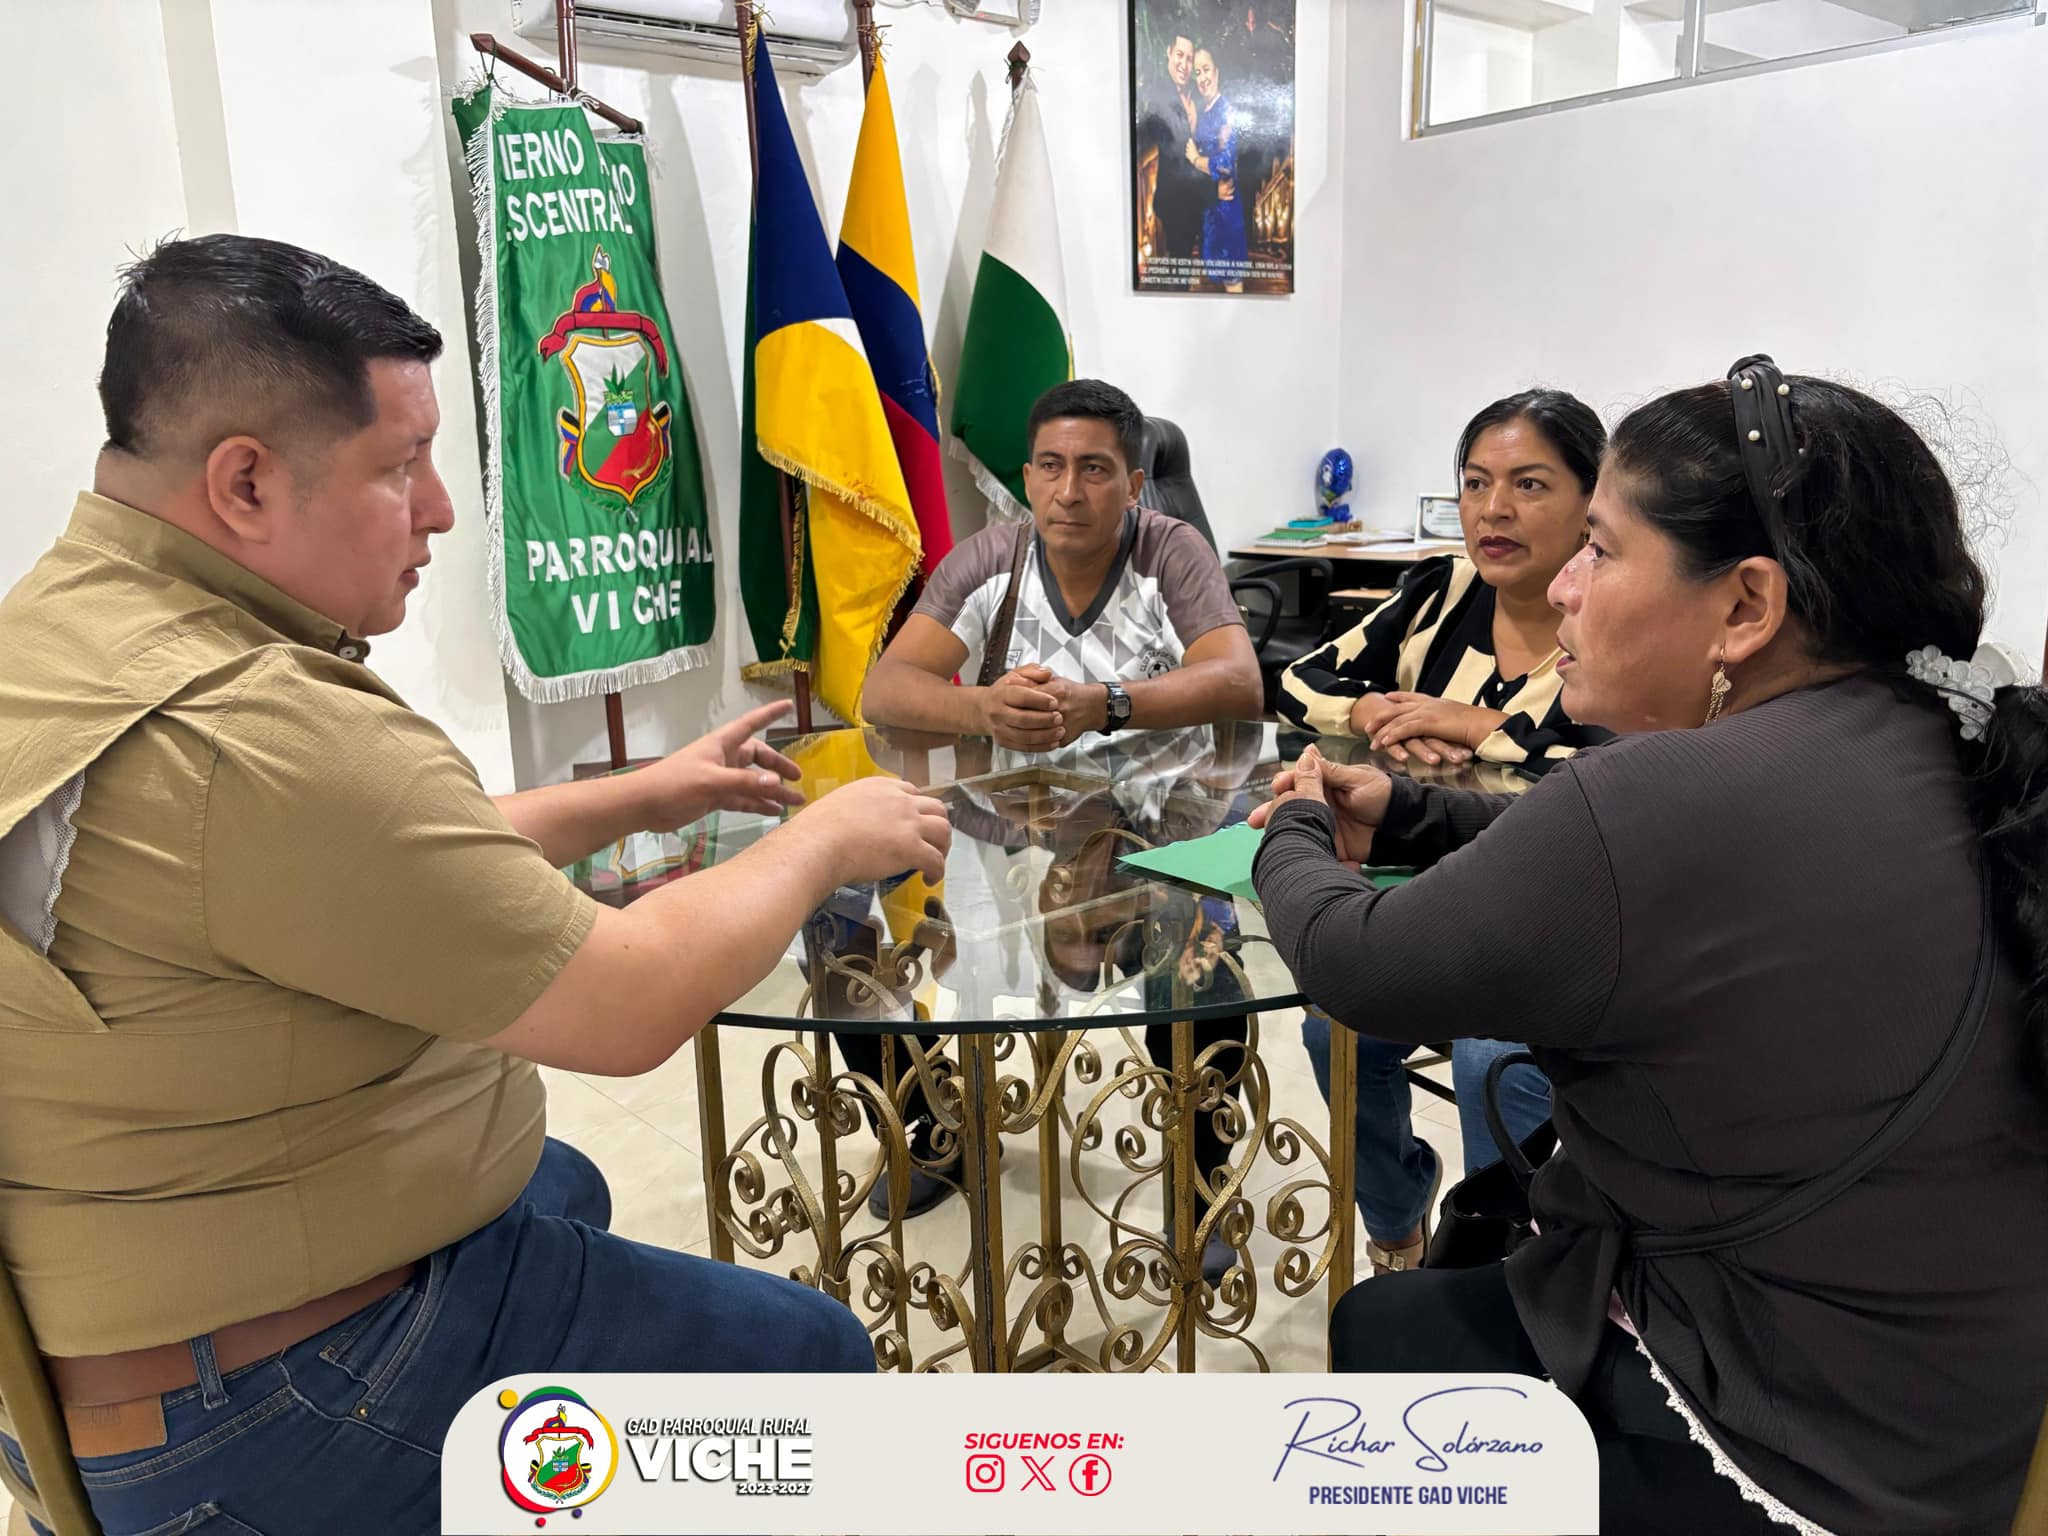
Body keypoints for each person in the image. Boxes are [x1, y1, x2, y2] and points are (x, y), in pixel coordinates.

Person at [0, 235, 952, 1536]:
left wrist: (644, 793)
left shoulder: (65, 629)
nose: (441, 510)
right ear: (245, 483)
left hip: (107, 1320)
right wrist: (826, 839)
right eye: (401, 465)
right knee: (810, 1353)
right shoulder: (255, 730)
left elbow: (364, 864)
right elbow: (626, 1004)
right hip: (260, 1405)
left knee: (560, 1182)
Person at [1249, 357, 2048, 1531]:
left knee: (1381, 1339)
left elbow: (1356, 964)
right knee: (1406, 1318)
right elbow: (1624, 867)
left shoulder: (1655, 796)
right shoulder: (1934, 733)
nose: (1565, 584)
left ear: (1744, 608)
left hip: (1806, 1439)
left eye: (1600, 547)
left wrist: (1300, 820)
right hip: (1960, 1396)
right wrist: (1413, 811)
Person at [856, 379, 1262, 1272]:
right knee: (852, 919)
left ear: (1136, 483)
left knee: (1201, 963)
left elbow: (1239, 681)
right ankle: (935, 1128)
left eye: (1094, 470)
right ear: (1028, 475)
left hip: (1158, 817)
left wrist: (1106, 704)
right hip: (1011, 820)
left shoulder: (1170, 551)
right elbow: (886, 690)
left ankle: (1200, 1181)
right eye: (1049, 467)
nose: (1068, 492)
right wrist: (985, 709)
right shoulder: (990, 557)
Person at [1281, 388, 1609, 1274]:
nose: (1493, 510)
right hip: (1431, 898)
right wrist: (1372, 708)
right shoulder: (1441, 592)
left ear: (1592, 502)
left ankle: (1501, 1270)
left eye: (1529, 484)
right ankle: (1398, 1227)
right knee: (1334, 1027)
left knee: (1490, 1057)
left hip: (1555, 920)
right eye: (1474, 483)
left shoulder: (1612, 613)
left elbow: (1609, 762)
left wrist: (1475, 727)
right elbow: (1300, 681)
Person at [1137, 30, 1211, 285]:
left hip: (1197, 199)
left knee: (1186, 268)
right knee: (1178, 269)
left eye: (1189, 58)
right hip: (1173, 200)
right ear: (1168, 53)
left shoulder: (1197, 96)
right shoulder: (1155, 95)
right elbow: (1144, 138)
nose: (1184, 64)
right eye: (1179, 55)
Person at [1187, 49, 1250, 293]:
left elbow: (1225, 161)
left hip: (1226, 209)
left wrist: (1195, 159)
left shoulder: (1226, 110)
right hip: (1213, 210)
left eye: (1206, 70)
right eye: (1198, 72)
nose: (1202, 78)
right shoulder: (1205, 111)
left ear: (1217, 72)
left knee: (1232, 284)